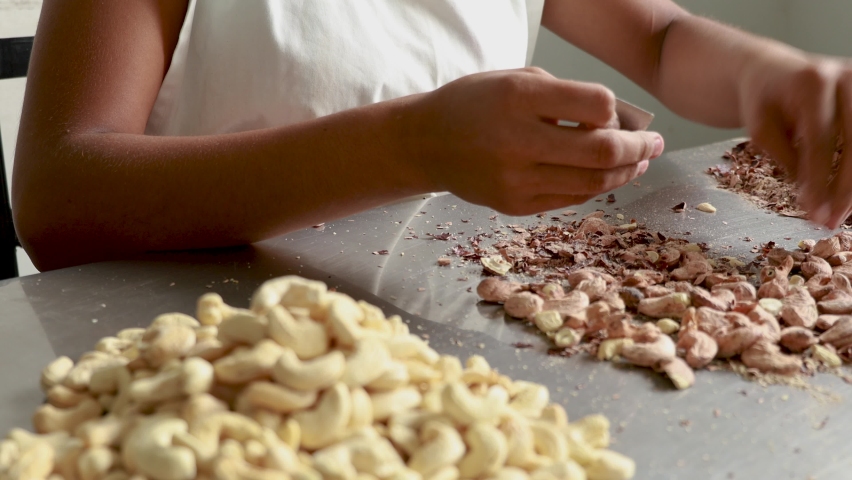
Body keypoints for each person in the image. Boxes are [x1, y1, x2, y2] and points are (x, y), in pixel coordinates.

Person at [11, 0, 852, 272]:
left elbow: (660, 38)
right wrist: (409, 146)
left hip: (452, 324)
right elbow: (60, 195)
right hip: (207, 351)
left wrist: (764, 71)